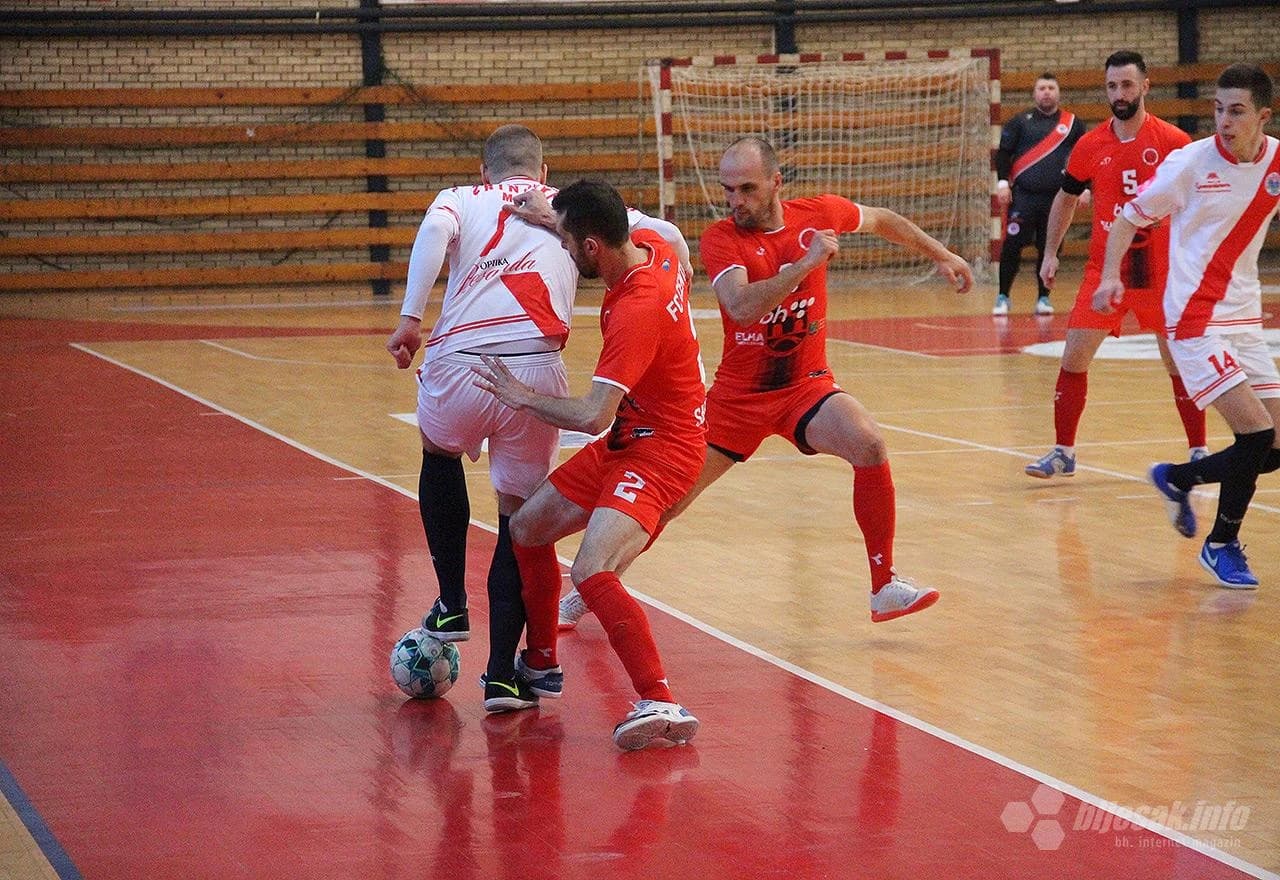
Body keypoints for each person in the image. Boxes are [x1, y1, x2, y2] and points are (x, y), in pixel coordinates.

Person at [560, 136, 974, 631]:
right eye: (728, 189)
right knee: (665, 505)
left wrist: (942, 254)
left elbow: (882, 219)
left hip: (806, 388)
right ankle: (589, 589)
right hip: (737, 401)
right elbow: (740, 305)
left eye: (747, 189)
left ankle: (883, 585)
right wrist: (804, 267)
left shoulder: (818, 215)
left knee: (869, 443)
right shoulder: (722, 238)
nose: (736, 201)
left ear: (777, 182)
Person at [384, 125, 690, 712]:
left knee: (439, 453)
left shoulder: (461, 199)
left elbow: (433, 231)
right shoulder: (604, 228)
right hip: (543, 368)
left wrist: (410, 318)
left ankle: (451, 603)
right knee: (519, 521)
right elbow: (665, 234)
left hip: (468, 365)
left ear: (485, 173)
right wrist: (555, 219)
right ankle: (505, 674)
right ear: (543, 176)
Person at [473, 179, 707, 750]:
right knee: (527, 527)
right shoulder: (658, 246)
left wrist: (519, 395)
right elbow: (610, 230)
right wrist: (548, 216)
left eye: (569, 242)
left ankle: (661, 700)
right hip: (637, 432)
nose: (566, 252)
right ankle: (543, 662)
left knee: (591, 569)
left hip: (664, 449)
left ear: (592, 247)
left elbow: (591, 415)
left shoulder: (636, 309)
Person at [1093, 63, 1280, 589]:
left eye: (1237, 111)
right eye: (1218, 109)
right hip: (1194, 319)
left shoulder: (1276, 161)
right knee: (1256, 433)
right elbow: (1128, 217)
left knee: (1275, 446)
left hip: (1244, 316)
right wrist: (1110, 277)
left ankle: (1177, 478)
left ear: (1262, 115)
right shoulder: (1189, 164)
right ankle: (1220, 545)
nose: (1224, 120)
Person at [1028, 50, 1205, 478]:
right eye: (1112, 86)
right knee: (1073, 357)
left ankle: (1199, 451)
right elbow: (1066, 197)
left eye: (1127, 85)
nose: (1119, 94)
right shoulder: (1090, 145)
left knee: (1177, 363)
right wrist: (1051, 252)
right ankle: (1063, 452)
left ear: (1145, 86)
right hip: (1105, 271)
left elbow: (1202, 202)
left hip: (1161, 272)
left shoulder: (1175, 144)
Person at [992, 72, 1087, 316]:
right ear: (1035, 93)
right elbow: (1003, 154)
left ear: (1058, 93)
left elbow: (1083, 157)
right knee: (1012, 245)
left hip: (1057, 199)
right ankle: (1003, 296)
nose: (1046, 92)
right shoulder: (1020, 122)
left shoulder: (1074, 124)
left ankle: (1044, 298)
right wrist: (1003, 183)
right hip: (1024, 197)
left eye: (1051, 88)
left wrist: (1085, 187)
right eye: (1042, 88)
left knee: (1050, 248)